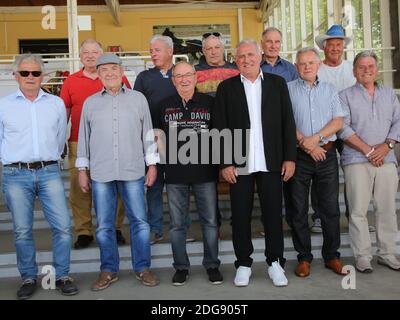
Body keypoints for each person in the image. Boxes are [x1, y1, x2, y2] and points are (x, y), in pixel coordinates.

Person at [213, 39, 297, 287]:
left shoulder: (277, 84)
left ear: (260, 56)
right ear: (235, 60)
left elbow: (288, 123)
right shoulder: (226, 88)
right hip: (240, 165)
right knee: (240, 217)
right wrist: (225, 163)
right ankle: (243, 264)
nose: (246, 60)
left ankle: (275, 263)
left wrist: (290, 157)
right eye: (241, 56)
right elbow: (219, 126)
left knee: (273, 215)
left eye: (250, 55)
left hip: (271, 162)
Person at [76, 54, 160, 290]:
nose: (110, 73)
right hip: (101, 172)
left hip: (132, 169)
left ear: (121, 71)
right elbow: (83, 137)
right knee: (103, 225)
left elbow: (148, 133)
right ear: (99, 74)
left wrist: (152, 164)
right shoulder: (90, 103)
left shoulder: (138, 99)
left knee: (140, 223)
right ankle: (108, 270)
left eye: (114, 68)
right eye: (105, 70)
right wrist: (82, 169)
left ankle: (142, 268)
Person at [0, 54, 78, 299]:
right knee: (22, 230)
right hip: (15, 174)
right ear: (15, 76)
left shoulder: (55, 103)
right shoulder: (4, 105)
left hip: (49, 171)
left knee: (64, 226)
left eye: (35, 73)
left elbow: (58, 137)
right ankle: (28, 277)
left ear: (43, 76)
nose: (30, 77)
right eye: (25, 73)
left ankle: (63, 275)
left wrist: (49, 159)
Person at [154, 61, 222, 285]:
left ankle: (212, 265)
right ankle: (181, 267)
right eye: (178, 76)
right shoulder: (163, 105)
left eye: (188, 75)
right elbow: (155, 137)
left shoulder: (210, 103)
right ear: (173, 81)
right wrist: (163, 162)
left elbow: (220, 135)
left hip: (205, 173)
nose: (184, 79)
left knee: (210, 222)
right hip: (175, 176)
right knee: (176, 224)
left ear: (196, 78)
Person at [60, 39, 131, 248]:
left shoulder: (117, 77)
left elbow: (128, 106)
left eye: (95, 52)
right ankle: (83, 231)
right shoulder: (71, 81)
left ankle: (115, 228)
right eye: (86, 53)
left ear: (101, 54)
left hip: (112, 142)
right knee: (79, 188)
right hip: (77, 142)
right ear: (80, 56)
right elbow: (64, 113)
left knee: (116, 186)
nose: (90, 56)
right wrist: (59, 142)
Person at [284, 47, 347, 278]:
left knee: (329, 208)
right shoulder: (287, 89)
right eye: (302, 63)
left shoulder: (330, 90)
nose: (307, 66)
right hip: (299, 156)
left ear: (318, 64)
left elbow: (338, 120)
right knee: (298, 209)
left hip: (326, 154)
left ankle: (332, 256)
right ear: (296, 66)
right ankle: (304, 258)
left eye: (311, 62)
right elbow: (285, 121)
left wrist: (316, 139)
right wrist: (306, 143)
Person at [338, 51, 400, 272]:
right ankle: (363, 255)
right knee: (358, 210)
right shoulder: (344, 96)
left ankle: (388, 253)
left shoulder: (390, 95)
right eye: (361, 67)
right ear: (354, 71)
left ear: (377, 69)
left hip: (387, 159)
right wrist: (367, 149)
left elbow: (398, 122)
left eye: (370, 66)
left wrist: (386, 147)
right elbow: (343, 127)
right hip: (356, 159)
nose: (366, 70)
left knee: (386, 209)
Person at [311, 25, 359, 233]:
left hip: (349, 128)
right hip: (324, 129)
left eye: (339, 45)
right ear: (324, 47)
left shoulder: (351, 69)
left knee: (353, 174)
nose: (335, 48)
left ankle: (355, 215)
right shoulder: (317, 69)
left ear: (343, 47)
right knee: (319, 173)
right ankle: (319, 216)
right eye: (331, 45)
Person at [134, 35, 179, 244]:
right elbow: (136, 111)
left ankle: (182, 228)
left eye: (157, 50)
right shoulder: (144, 77)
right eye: (151, 50)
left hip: (180, 139)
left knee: (180, 185)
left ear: (170, 51)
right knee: (153, 186)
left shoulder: (181, 73)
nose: (153, 54)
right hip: (152, 138)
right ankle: (155, 228)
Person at [195, 33, 240, 237]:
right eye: (208, 48)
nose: (213, 51)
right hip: (204, 134)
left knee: (236, 181)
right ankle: (215, 225)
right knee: (208, 182)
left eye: (216, 47)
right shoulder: (195, 72)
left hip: (232, 133)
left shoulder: (235, 70)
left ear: (223, 49)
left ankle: (238, 222)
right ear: (203, 51)